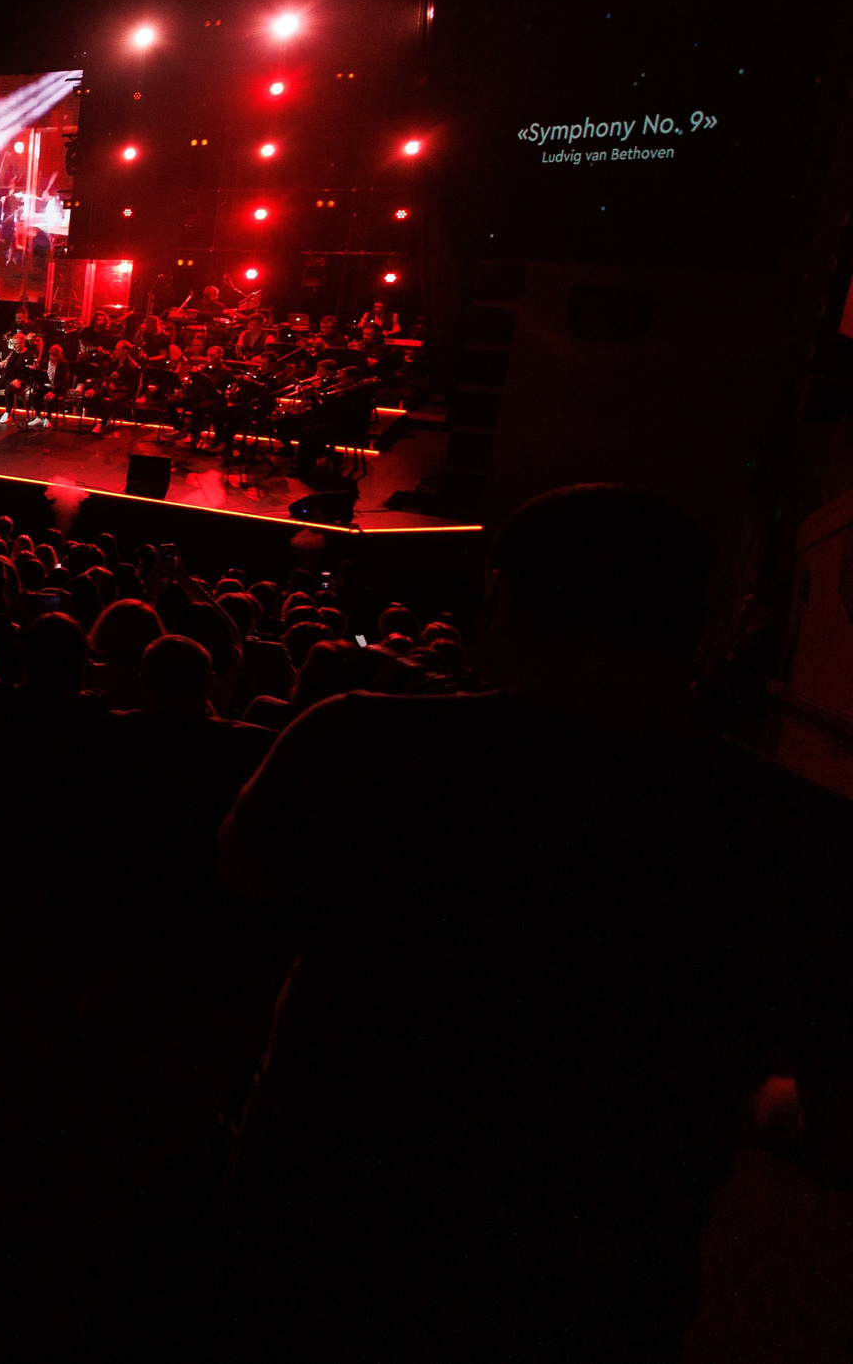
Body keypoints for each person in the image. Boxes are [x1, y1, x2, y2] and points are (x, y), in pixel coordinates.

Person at [212, 485, 853, 1361]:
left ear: (500, 601)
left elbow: (243, 876)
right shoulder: (802, 838)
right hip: (594, 1278)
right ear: (695, 629)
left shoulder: (353, 740)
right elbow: (823, 1112)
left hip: (322, 1223)